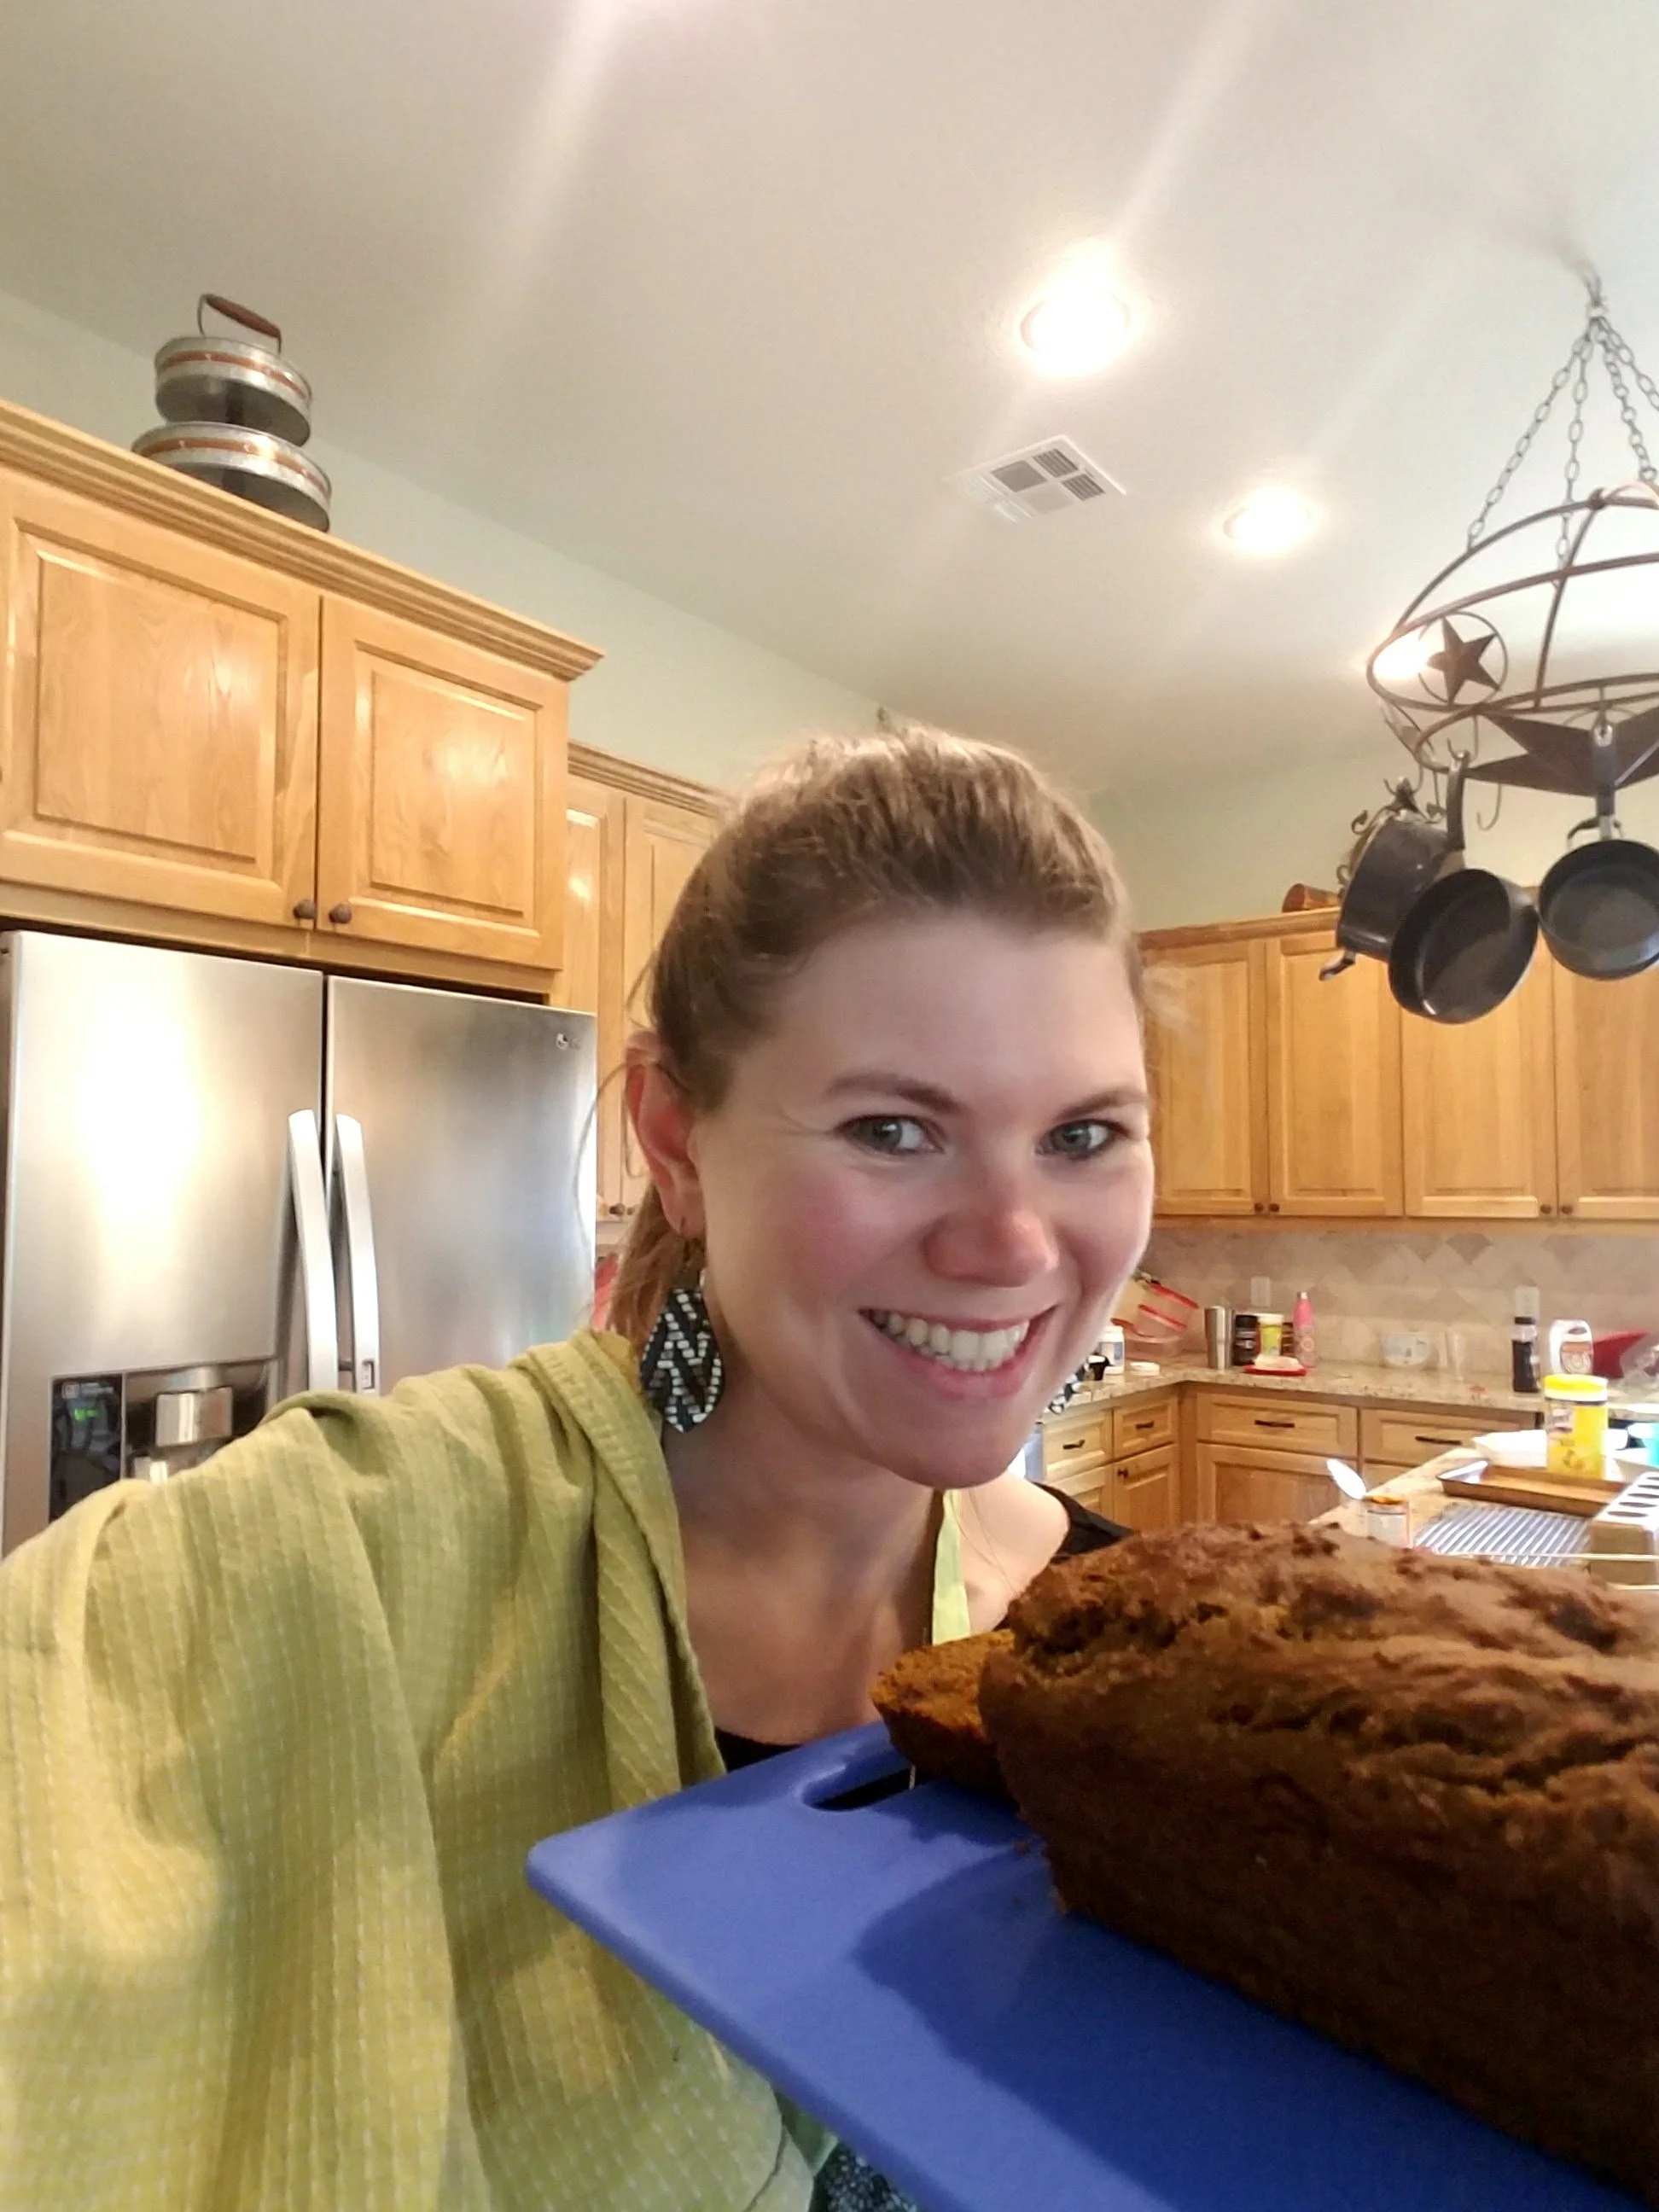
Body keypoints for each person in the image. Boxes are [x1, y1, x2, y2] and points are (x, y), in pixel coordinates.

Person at [0, 728, 1153, 2211]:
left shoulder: (1106, 1643)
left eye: (1081, 1134)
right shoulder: (369, 1544)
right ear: (674, 1137)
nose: (1010, 1241)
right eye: (893, 1128)